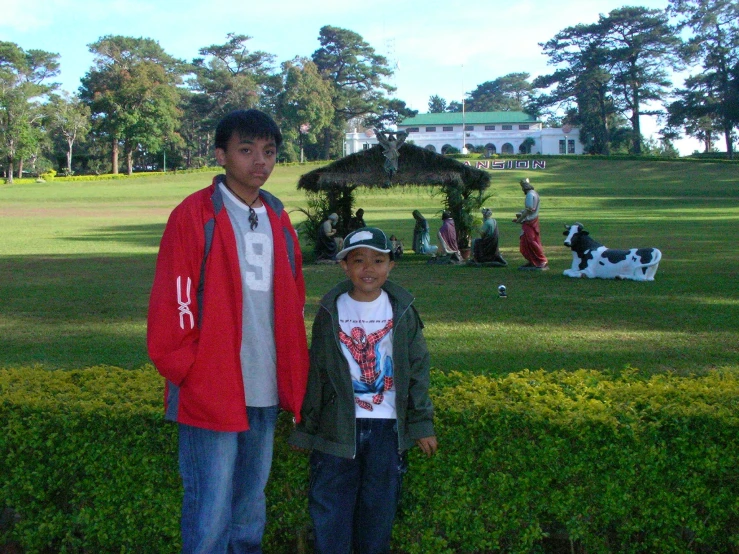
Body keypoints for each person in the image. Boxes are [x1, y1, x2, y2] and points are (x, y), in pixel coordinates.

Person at [147, 109, 310, 554]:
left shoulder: (276, 215)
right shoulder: (195, 214)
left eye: (269, 152)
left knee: (249, 509)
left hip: (264, 383)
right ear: (221, 154)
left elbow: (293, 299)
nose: (260, 161)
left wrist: (293, 376)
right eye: (246, 150)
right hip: (210, 386)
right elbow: (175, 298)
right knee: (210, 511)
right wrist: (190, 370)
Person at [289, 226, 437, 554]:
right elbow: (317, 373)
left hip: (387, 429)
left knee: (378, 510)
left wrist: (421, 423)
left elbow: (417, 369)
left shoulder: (402, 311)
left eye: (378, 260)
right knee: (331, 510)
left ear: (391, 264)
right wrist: (306, 430)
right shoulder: (330, 312)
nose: (368, 269)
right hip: (337, 429)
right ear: (344, 265)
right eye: (358, 260)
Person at [513, 177, 549, 270]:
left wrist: (520, 219)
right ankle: (532, 261)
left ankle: (541, 260)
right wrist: (521, 215)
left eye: (523, 187)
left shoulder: (530, 195)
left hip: (529, 222)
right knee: (529, 241)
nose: (523, 189)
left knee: (530, 241)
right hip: (532, 220)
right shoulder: (535, 193)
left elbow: (529, 209)